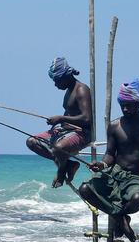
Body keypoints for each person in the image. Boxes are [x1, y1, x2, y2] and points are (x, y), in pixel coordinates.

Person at [78, 78, 139, 242]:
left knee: (138, 199)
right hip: (114, 173)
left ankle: (119, 217)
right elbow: (109, 154)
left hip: (135, 177)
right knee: (84, 189)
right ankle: (121, 219)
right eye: (123, 105)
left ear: (138, 104)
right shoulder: (114, 126)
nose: (126, 109)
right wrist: (101, 164)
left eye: (129, 105)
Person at [26, 57, 93, 187]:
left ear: (66, 76)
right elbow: (71, 112)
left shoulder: (81, 89)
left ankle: (61, 172)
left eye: (57, 81)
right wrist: (56, 121)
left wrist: (61, 118)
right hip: (65, 130)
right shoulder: (69, 89)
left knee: (58, 148)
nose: (55, 85)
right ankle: (69, 165)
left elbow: (87, 119)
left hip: (82, 132)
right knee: (32, 141)